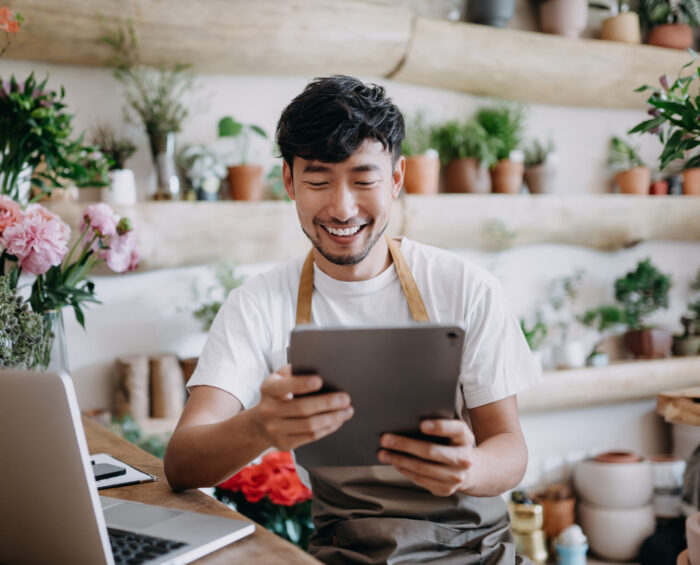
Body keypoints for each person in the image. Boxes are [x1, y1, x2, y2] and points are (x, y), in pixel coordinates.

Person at [164, 75, 541, 564]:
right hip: (347, 555)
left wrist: (467, 467)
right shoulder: (256, 304)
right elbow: (181, 462)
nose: (342, 208)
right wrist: (260, 426)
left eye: (364, 180)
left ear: (397, 179)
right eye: (318, 181)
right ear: (288, 181)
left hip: (476, 552)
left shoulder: (465, 286)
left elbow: (509, 448)